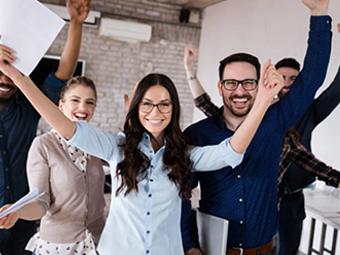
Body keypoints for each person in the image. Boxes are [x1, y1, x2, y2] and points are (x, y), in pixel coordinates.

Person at [0, 51, 284, 254]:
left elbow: (230, 151)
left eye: (164, 104)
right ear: (136, 108)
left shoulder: (184, 156)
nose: (156, 112)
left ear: (173, 111)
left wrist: (262, 101)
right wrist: (16, 75)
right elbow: (64, 126)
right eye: (147, 104)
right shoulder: (117, 148)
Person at [181, 1, 332, 254]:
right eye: (231, 83)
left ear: (259, 84)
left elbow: (312, 78)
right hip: (215, 249)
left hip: (263, 249)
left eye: (248, 83)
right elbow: (181, 194)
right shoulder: (198, 134)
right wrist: (190, 245)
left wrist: (319, 14)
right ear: (220, 88)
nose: (239, 91)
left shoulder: (275, 120)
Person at [0, 0, 90, 254]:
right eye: (0, 70)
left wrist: (75, 24)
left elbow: (63, 73)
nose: (6, 79)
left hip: (23, 220)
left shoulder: (28, 108)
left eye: (11, 71)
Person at [0, 76, 105, 255]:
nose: (83, 108)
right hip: (59, 248)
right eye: (75, 100)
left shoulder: (98, 145)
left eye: (90, 102)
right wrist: (17, 212)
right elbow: (40, 202)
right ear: (60, 105)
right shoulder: (43, 145)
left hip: (96, 244)